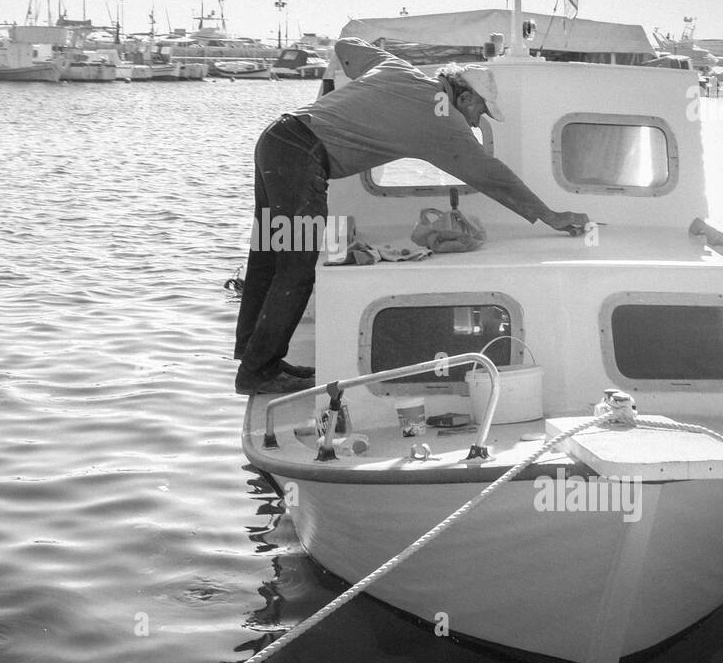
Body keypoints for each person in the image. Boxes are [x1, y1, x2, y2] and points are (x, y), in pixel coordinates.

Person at [233, 37, 590, 395]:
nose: (477, 122)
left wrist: (345, 95)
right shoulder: (443, 120)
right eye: (479, 111)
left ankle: (257, 360)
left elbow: (346, 46)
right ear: (463, 97)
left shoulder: (397, 68)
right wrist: (549, 215)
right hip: (301, 158)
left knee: (267, 257)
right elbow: (491, 175)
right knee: (296, 267)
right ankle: (259, 370)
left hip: (278, 139)